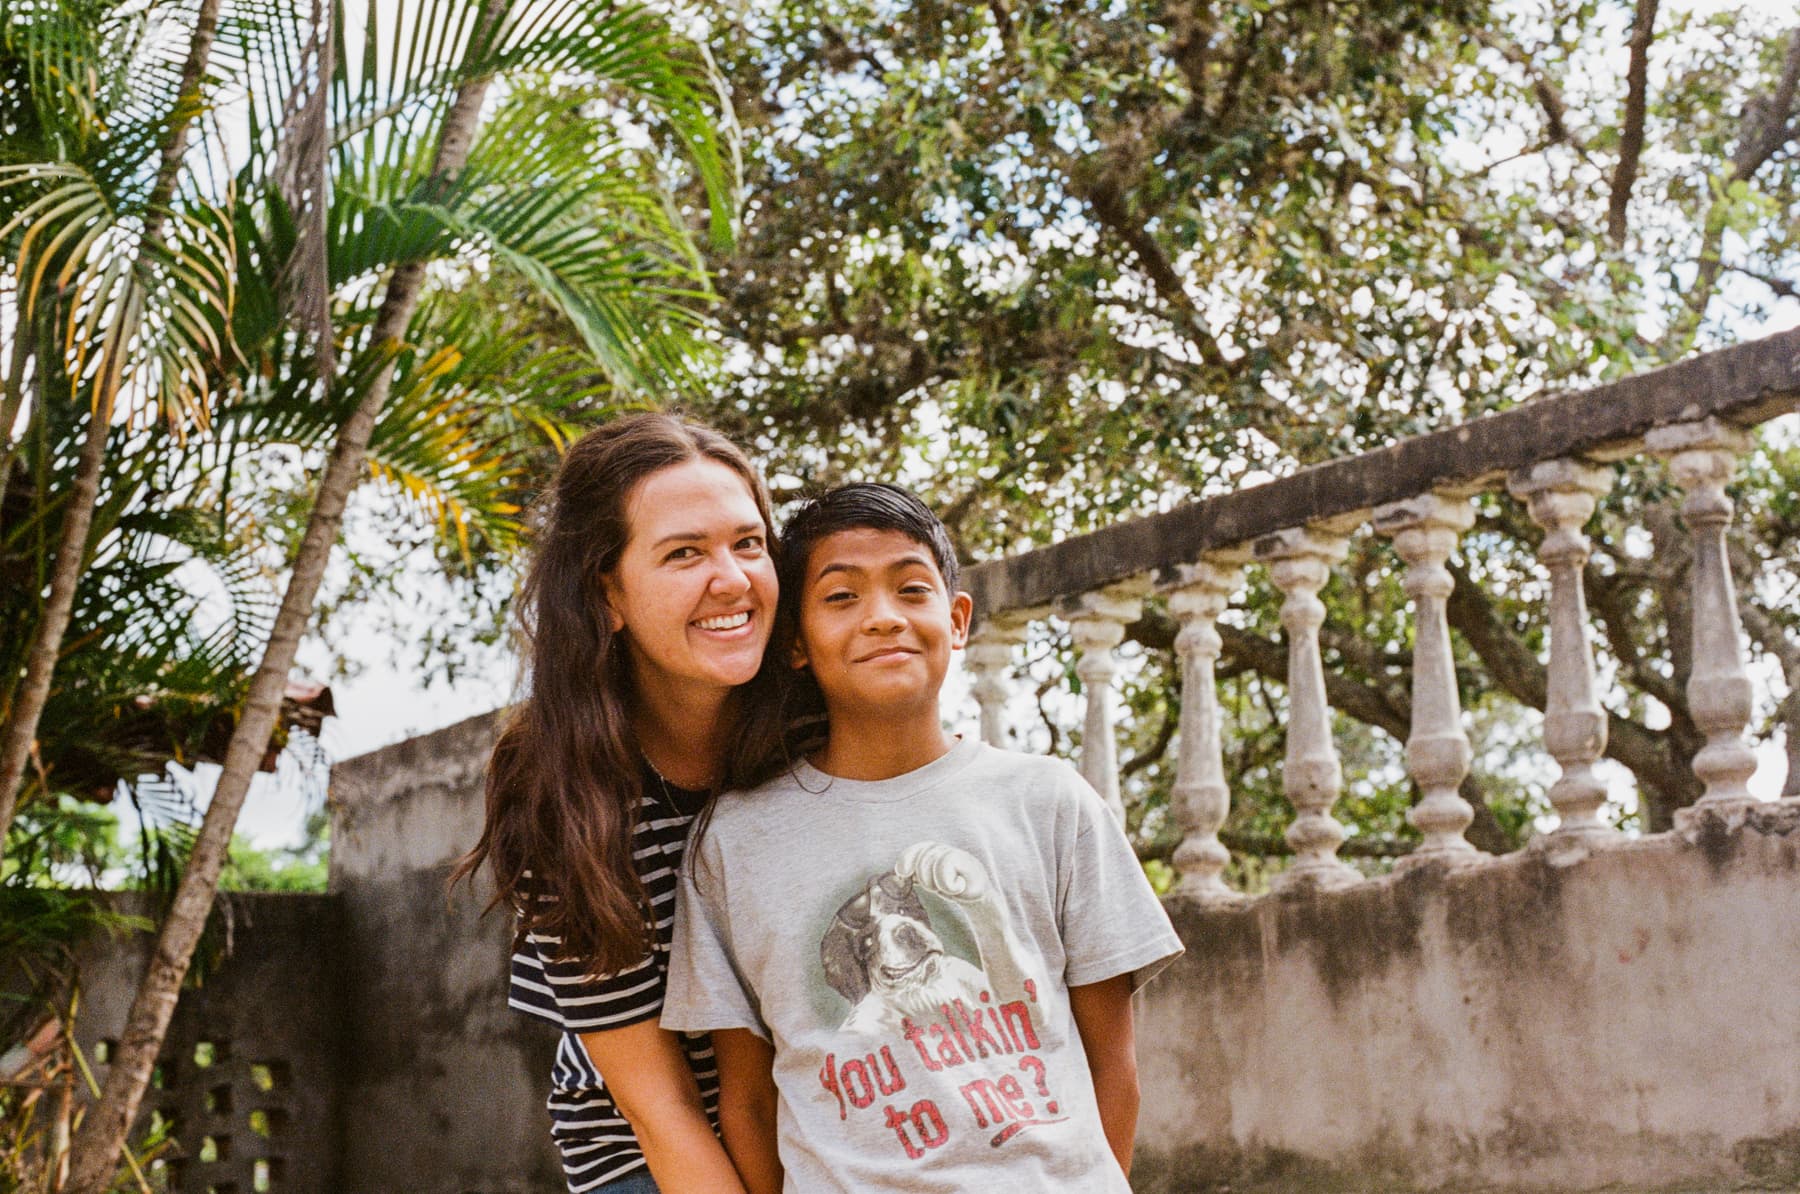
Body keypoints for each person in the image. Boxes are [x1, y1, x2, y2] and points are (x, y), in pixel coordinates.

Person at [663, 482, 1184, 1193]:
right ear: (794, 643)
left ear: (958, 618)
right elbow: (748, 1103)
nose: (882, 618)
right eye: (841, 598)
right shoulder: (735, 841)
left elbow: (1112, 1063)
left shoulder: (1050, 800)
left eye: (911, 590)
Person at [455, 413, 778, 1194]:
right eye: (684, 553)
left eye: (749, 543)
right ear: (608, 594)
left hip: (826, 1113)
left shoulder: (815, 722)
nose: (732, 579)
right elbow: (659, 1110)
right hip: (647, 1149)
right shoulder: (558, 792)